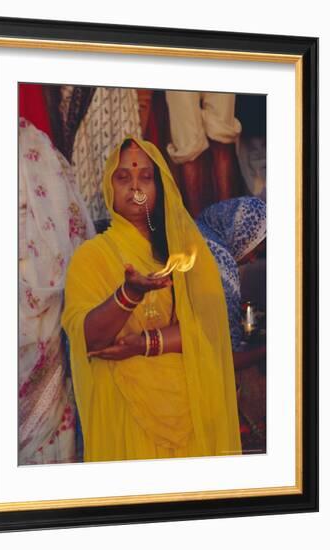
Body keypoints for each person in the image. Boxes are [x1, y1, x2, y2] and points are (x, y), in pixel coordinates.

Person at [60, 135, 242, 462]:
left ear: (159, 188)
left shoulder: (183, 253)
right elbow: (88, 338)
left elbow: (206, 329)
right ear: (108, 188)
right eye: (123, 177)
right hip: (123, 410)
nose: (135, 186)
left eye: (146, 177)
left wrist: (143, 343)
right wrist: (129, 294)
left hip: (185, 407)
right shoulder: (90, 256)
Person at [195, 197, 267, 369]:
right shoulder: (222, 266)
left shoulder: (197, 228)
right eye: (255, 252)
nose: (251, 260)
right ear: (242, 234)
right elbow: (227, 359)